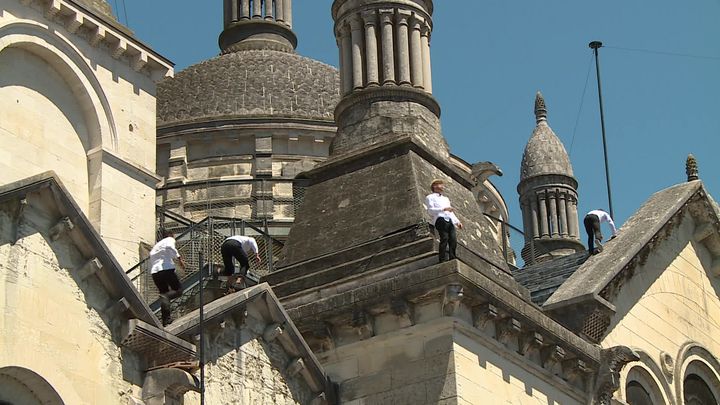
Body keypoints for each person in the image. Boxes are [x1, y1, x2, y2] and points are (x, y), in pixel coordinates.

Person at [149, 230, 186, 326]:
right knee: (178, 290)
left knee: (164, 294)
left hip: (155, 273)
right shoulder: (169, 240)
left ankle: (166, 321)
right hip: (166, 269)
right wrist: (179, 259)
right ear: (172, 236)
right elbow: (170, 247)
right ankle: (166, 297)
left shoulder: (156, 246)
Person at [425, 179, 463, 263]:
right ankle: (442, 259)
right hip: (440, 219)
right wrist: (443, 209)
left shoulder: (446, 199)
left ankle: (452, 257)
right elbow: (430, 210)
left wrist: (457, 221)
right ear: (434, 186)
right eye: (440, 184)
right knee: (444, 238)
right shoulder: (430, 197)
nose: (442, 186)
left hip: (449, 219)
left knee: (453, 239)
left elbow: (450, 212)